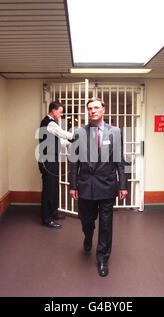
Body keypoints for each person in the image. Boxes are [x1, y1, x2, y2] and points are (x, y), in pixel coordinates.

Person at [69, 97, 128, 277]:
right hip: (86, 184)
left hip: (107, 185)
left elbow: (119, 160)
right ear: (88, 112)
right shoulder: (79, 133)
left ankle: (102, 258)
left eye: (96, 107)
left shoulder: (115, 132)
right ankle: (88, 236)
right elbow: (74, 162)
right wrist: (73, 185)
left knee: (106, 224)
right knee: (87, 220)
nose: (93, 111)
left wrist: (123, 185)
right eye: (90, 108)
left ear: (103, 109)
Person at [38, 101, 73, 229]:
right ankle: (47, 219)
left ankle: (53, 213)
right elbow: (63, 134)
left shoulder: (51, 123)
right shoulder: (50, 123)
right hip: (47, 161)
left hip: (51, 160)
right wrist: (78, 136)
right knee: (48, 189)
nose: (61, 114)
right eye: (60, 111)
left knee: (53, 187)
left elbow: (61, 141)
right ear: (53, 110)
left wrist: (70, 143)